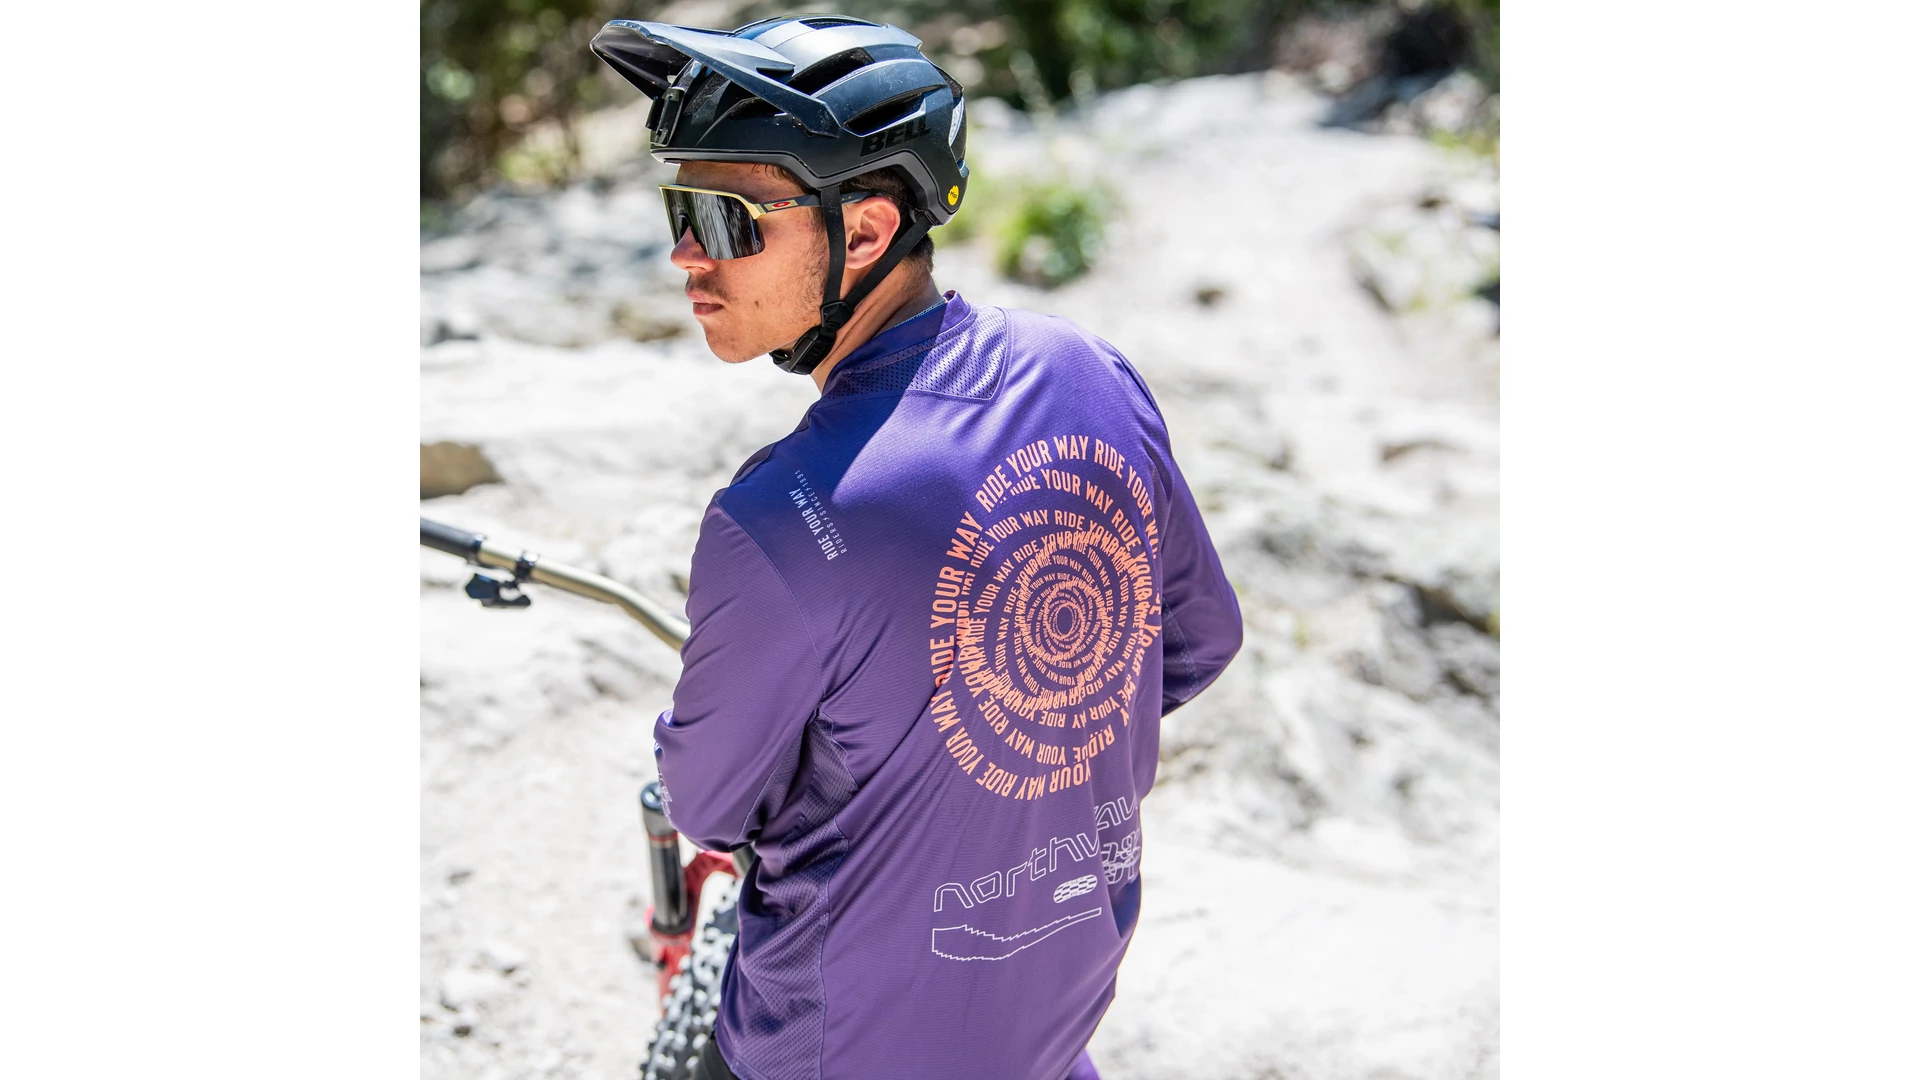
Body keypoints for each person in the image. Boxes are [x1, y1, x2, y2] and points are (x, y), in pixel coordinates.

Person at [592, 16, 1242, 1080]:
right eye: (680, 209)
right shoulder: (1092, 373)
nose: (685, 254)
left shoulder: (778, 517)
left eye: (724, 217)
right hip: (1053, 1024)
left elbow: (708, 806)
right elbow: (1200, 638)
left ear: (865, 230)